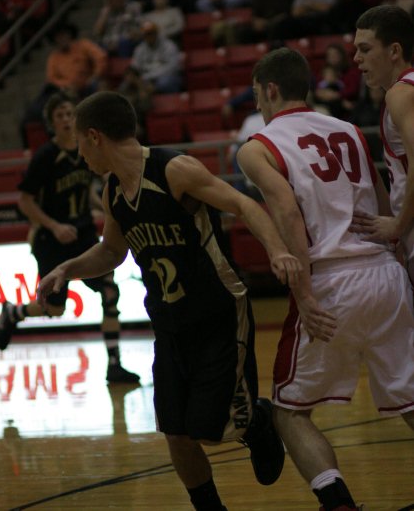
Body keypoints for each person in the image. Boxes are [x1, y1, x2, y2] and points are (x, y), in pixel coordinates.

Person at [35, 89, 306, 511]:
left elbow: (243, 203)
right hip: (168, 320)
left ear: (94, 136)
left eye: (81, 144)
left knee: (207, 429)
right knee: (175, 434)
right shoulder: (113, 190)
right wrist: (66, 268)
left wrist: (278, 251)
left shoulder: (174, 169)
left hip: (217, 310)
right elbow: (111, 252)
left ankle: (256, 420)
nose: (80, 155)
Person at [237, 46, 414, 511]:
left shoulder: (258, 147)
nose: (257, 105)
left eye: (257, 95)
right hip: (385, 272)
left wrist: (305, 294)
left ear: (271, 89)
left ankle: (339, 505)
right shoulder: (350, 130)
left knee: (289, 412)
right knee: (412, 400)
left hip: (332, 280)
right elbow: (381, 201)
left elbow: (288, 215)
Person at [0, 92, 140, 384]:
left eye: (70, 114)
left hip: (82, 234)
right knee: (55, 308)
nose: (66, 120)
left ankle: (114, 364)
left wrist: (105, 207)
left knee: (110, 291)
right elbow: (25, 201)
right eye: (59, 115)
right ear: (51, 124)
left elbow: (84, 191)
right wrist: (55, 225)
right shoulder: (46, 156)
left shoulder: (85, 151)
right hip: (51, 239)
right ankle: (13, 312)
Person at [352, 4, 414, 282]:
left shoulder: (400, 94)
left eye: (365, 49)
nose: (356, 58)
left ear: (394, 51)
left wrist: (398, 226)